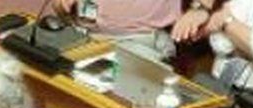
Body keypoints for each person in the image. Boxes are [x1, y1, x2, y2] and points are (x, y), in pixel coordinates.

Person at [51, 0, 180, 60]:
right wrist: (62, 4)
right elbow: (58, 7)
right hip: (79, 34)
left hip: (138, 42)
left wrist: (199, 10)